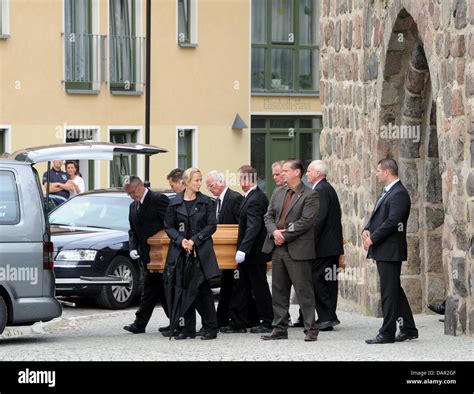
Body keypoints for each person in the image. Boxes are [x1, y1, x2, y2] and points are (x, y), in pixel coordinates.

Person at [261, 159, 320, 342]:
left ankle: (310, 328)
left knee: (304, 290)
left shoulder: (310, 195)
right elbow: (268, 216)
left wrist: (284, 235)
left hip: (298, 249)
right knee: (278, 290)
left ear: (297, 172)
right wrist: (274, 232)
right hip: (278, 248)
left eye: (286, 170)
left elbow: (306, 222)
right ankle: (279, 328)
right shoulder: (278, 192)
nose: (282, 173)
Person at [362, 158, 418, 344]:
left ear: (387, 172)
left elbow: (393, 222)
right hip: (383, 249)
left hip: (391, 250)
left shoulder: (399, 193)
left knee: (388, 292)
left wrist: (373, 239)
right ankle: (409, 328)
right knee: (394, 289)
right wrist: (367, 229)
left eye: (378, 170)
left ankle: (386, 333)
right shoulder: (387, 192)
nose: (376, 173)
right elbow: (378, 216)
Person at [164, 168, 219, 340]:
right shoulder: (174, 203)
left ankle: (210, 327)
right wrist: (181, 240)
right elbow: (168, 226)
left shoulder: (206, 202)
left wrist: (194, 240)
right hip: (181, 253)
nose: (199, 183)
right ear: (186, 182)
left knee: (202, 290)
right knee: (184, 288)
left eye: (200, 180)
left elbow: (211, 225)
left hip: (201, 253)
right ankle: (187, 329)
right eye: (196, 180)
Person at [220, 166, 273, 334]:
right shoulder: (251, 196)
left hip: (254, 253)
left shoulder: (255, 198)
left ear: (247, 180)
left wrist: (243, 249)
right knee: (242, 286)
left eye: (240, 179)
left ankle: (267, 321)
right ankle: (240, 321)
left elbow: (254, 226)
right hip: (251, 253)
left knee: (259, 287)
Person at [295, 160, 343, 331]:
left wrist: (307, 240)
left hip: (324, 246)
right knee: (325, 281)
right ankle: (326, 317)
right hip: (328, 246)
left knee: (316, 279)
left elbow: (318, 219)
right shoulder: (323, 188)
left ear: (317, 173)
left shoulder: (321, 190)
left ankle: (327, 316)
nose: (306, 174)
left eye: (309, 171)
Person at [123, 176, 170, 334]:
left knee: (154, 288)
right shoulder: (132, 206)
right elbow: (133, 231)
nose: (132, 196)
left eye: (132, 192)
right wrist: (133, 247)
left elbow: (169, 224)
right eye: (129, 194)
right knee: (155, 289)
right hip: (146, 255)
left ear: (140, 186)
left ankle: (140, 323)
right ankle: (175, 321)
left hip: (161, 254)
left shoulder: (158, 199)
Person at [205, 170, 244, 328]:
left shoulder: (235, 198)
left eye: (211, 185)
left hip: (234, 251)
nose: (210, 189)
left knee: (234, 287)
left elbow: (240, 225)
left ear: (221, 182)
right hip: (222, 253)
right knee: (226, 286)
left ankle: (235, 320)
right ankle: (221, 319)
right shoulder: (216, 202)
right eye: (208, 186)